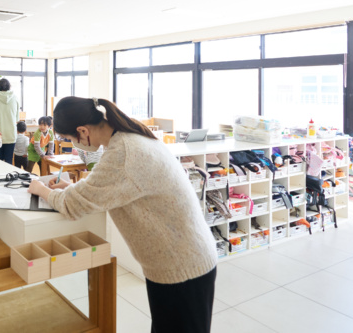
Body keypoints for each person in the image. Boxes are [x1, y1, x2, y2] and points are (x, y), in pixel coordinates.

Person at [27, 97, 217, 333]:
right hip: (184, 260)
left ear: (83, 131)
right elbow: (102, 189)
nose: (74, 145)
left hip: (182, 267)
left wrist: (41, 189)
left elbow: (72, 206)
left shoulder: (123, 153)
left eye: (71, 140)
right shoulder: (128, 137)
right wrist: (68, 188)